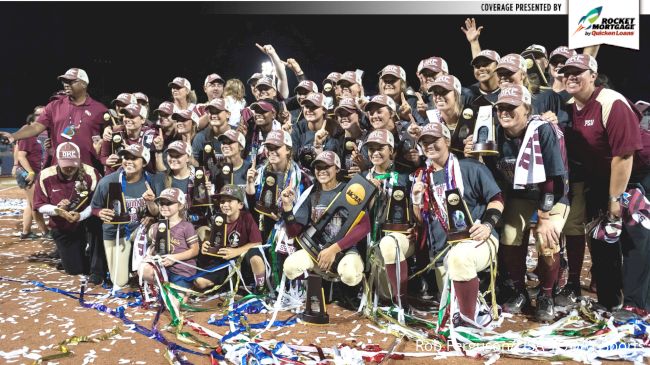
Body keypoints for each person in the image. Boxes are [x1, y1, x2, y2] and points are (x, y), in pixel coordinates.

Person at [561, 54, 650, 312]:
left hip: (637, 171)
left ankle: (636, 305)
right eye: (567, 72)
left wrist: (615, 200)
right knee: (600, 234)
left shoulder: (611, 102)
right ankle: (609, 299)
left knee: (635, 235)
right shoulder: (568, 107)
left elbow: (623, 156)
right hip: (604, 175)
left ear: (593, 76)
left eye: (578, 71)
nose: (571, 76)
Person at [473, 84, 569, 322]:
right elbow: (495, 178)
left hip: (551, 195)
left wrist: (544, 218)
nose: (504, 112)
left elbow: (552, 179)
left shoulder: (542, 130)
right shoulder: (493, 131)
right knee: (508, 235)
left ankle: (546, 295)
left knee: (547, 239)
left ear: (526, 109)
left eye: (511, 107)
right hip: (519, 195)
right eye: (500, 108)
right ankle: (520, 291)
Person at [411, 122, 504, 327]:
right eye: (424, 142)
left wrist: (488, 226)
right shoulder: (422, 177)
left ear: (447, 140)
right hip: (442, 253)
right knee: (452, 303)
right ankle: (473, 307)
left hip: (478, 240)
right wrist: (417, 200)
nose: (429, 146)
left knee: (460, 259)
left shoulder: (470, 167)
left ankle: (468, 324)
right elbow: (420, 221)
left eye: (434, 140)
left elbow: (497, 198)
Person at [282, 151, 370, 300]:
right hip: (317, 253)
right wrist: (287, 208)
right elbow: (293, 231)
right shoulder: (312, 194)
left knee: (349, 275)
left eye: (326, 166)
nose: (321, 170)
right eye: (318, 167)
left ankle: (357, 289)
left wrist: (334, 249)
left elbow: (364, 226)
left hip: (345, 252)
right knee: (290, 267)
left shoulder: (349, 190)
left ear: (337, 168)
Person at [0, 68, 108, 168]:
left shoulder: (99, 109)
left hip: (89, 167)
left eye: (71, 81)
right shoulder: (54, 106)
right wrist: (14, 136)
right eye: (64, 82)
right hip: (60, 167)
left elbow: (107, 138)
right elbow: (36, 127)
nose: (66, 85)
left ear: (84, 84)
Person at [91, 144, 164, 287]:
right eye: (126, 157)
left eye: (134, 158)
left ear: (144, 161)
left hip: (141, 230)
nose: (128, 161)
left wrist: (150, 203)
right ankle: (127, 269)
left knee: (157, 229)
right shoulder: (108, 181)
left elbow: (159, 213)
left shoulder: (154, 181)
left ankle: (145, 271)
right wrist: (100, 213)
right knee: (120, 281)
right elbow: (94, 207)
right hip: (117, 231)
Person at [365, 129, 415, 311]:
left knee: (389, 244)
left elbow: (418, 208)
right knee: (384, 297)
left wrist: (416, 228)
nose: (375, 152)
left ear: (392, 150)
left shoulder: (406, 175)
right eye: (371, 148)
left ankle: (403, 302)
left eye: (381, 148)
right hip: (372, 240)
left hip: (401, 238)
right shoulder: (363, 178)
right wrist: (369, 196)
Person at [33, 142, 101, 277]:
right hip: (62, 227)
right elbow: (39, 205)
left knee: (93, 266)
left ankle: (83, 251)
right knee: (75, 270)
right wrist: (57, 210)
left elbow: (97, 203)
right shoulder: (45, 175)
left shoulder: (91, 173)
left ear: (79, 159)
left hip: (86, 224)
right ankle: (67, 255)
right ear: (58, 161)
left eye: (72, 164)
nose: (69, 168)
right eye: (65, 165)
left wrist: (81, 216)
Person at [195, 185, 265, 293]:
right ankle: (228, 285)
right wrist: (206, 247)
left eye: (230, 201)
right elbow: (213, 243)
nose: (225, 205)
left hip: (243, 263)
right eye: (222, 202)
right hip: (224, 263)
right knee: (199, 282)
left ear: (240, 205)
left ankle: (261, 288)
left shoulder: (246, 217)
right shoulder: (218, 219)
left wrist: (236, 251)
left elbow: (257, 242)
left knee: (255, 255)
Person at [140, 188, 199, 290]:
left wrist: (174, 258)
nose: (164, 206)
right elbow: (154, 247)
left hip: (182, 271)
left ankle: (180, 290)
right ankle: (163, 287)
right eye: (161, 203)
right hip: (163, 268)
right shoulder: (155, 227)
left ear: (180, 205)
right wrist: (149, 255)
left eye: (169, 203)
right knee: (143, 269)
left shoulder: (186, 226)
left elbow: (195, 250)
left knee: (172, 305)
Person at [15, 113, 48, 240]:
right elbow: (21, 156)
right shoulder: (27, 135)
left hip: (30, 172)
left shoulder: (33, 136)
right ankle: (45, 231)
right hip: (27, 173)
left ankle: (26, 232)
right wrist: (31, 172)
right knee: (36, 204)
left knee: (30, 204)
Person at [291, 92, 342, 169]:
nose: (308, 110)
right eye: (306, 106)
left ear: (324, 110)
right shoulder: (297, 128)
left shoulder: (336, 129)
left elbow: (337, 162)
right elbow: (291, 159)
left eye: (314, 107)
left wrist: (318, 146)